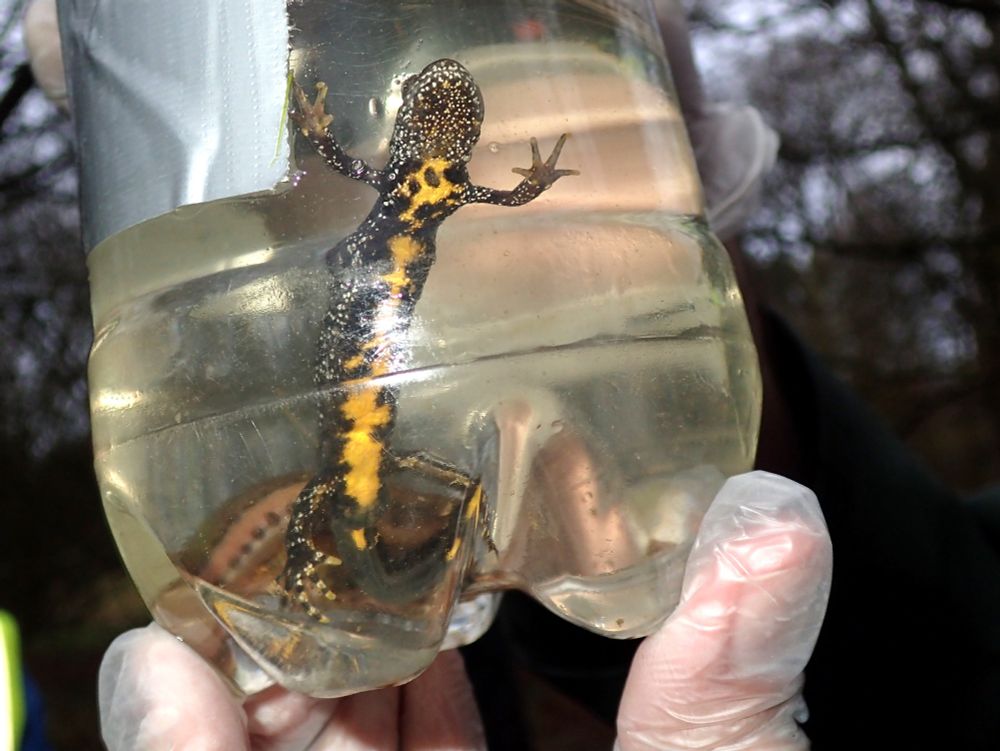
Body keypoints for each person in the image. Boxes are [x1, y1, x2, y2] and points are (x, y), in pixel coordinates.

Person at [24, 0, 1000, 748]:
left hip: (384, 313)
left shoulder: (434, 174)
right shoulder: (419, 175)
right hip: (363, 329)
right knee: (348, 486)